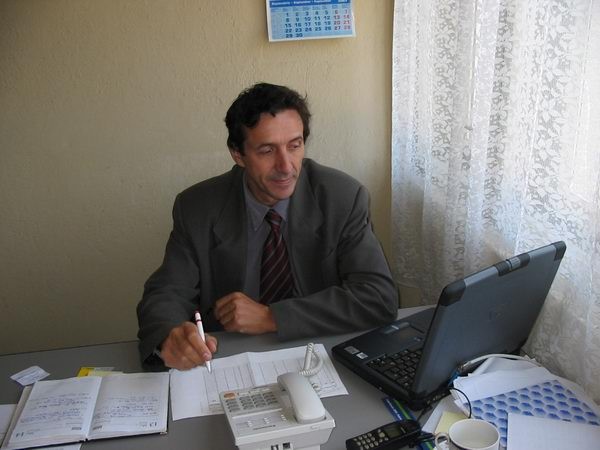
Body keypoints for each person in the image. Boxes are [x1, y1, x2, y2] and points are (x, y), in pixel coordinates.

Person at [137, 82, 398, 370]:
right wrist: (170, 336)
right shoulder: (197, 207)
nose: (286, 166)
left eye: (294, 146)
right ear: (238, 154)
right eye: (266, 150)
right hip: (227, 360)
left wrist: (272, 316)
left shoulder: (342, 197)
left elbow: (378, 297)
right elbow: (168, 292)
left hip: (318, 355)